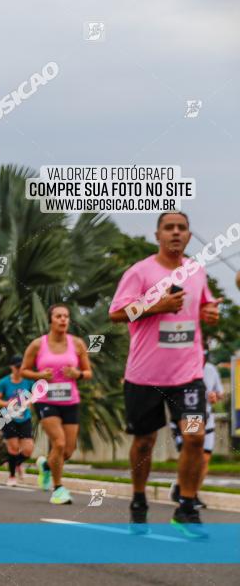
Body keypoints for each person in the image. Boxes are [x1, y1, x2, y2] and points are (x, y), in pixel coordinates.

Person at [108, 212, 220, 537]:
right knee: (144, 442)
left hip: (189, 379)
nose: (175, 233)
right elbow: (116, 313)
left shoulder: (197, 271)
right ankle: (139, 501)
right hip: (144, 378)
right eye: (168, 228)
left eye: (181, 228)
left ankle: (186, 507)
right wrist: (156, 306)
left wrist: (209, 313)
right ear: (157, 234)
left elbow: (204, 307)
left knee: (196, 436)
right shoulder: (140, 272)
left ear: (188, 236)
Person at [20, 304, 92, 505]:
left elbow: (88, 373)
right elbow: (24, 370)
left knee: (67, 451)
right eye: (58, 316)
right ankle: (58, 489)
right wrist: (39, 375)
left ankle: (45, 467)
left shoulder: (77, 344)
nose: (63, 320)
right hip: (46, 400)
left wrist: (77, 374)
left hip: (70, 401)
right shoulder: (37, 344)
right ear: (51, 319)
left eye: (66, 316)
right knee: (58, 443)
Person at [169, 352, 224, 509]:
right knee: (192, 453)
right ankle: (186, 493)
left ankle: (189, 492)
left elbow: (219, 392)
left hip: (207, 418)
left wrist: (215, 396)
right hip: (189, 415)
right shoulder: (180, 367)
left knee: (204, 458)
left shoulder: (211, 369)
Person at [0, 355, 34, 487]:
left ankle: (16, 463)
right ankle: (11, 476)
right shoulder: (4, 382)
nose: (19, 369)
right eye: (17, 367)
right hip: (8, 417)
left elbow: (34, 397)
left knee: (28, 450)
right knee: (14, 448)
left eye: (21, 367)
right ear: (11, 367)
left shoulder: (28, 382)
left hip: (24, 418)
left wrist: (29, 402)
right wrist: (7, 403)